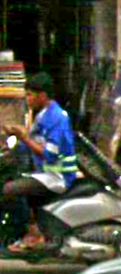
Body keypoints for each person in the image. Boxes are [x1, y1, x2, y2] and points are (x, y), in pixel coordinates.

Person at [2, 71, 78, 252]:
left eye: (30, 95)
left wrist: (24, 138)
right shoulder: (42, 115)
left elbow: (49, 154)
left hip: (57, 176)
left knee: (9, 190)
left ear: (42, 96)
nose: (27, 99)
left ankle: (30, 232)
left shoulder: (57, 118)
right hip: (44, 172)